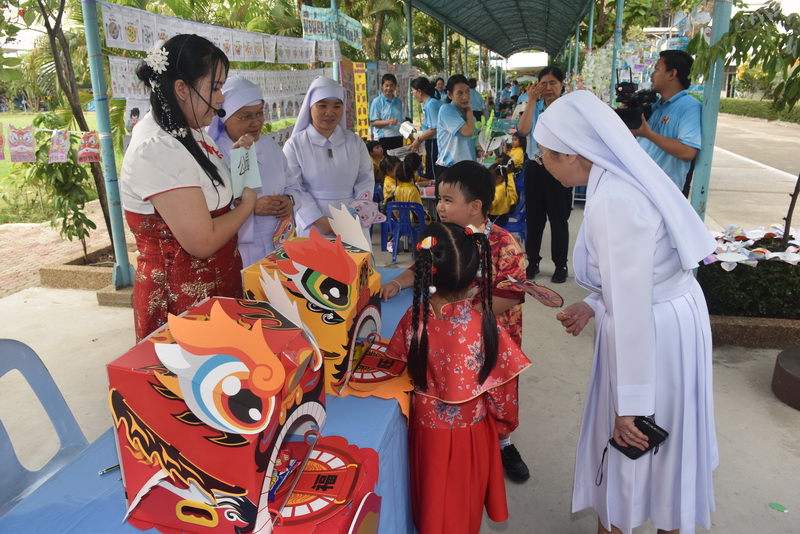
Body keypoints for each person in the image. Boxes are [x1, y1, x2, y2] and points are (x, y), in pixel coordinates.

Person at [535, 90, 717, 534]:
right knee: (668, 452)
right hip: (670, 317)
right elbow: (641, 272)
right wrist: (594, 303)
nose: (543, 164)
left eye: (546, 155)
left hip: (652, 334)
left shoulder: (614, 201)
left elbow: (632, 310)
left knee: (630, 445)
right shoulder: (623, 177)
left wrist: (630, 405)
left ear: (573, 154)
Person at [379, 161, 530, 482]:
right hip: (452, 337)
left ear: (475, 206)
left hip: (489, 338)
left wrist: (462, 316)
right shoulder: (442, 237)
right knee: (456, 389)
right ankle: (459, 436)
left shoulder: (505, 245)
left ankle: (504, 443)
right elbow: (422, 266)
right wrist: (397, 283)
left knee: (496, 390)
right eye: (439, 199)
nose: (440, 207)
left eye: (448, 200)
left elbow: (511, 295)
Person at [387, 222, 532, 534]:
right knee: (463, 505)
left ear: (425, 273)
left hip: (425, 433)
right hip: (472, 434)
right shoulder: (485, 325)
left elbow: (397, 362)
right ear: (474, 274)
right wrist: (504, 425)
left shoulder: (414, 318)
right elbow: (504, 395)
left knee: (429, 499)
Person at [120, 35, 256, 342]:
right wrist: (248, 204)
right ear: (181, 88)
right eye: (215, 88)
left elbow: (211, 195)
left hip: (216, 291)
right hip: (180, 305)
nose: (221, 99)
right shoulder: (157, 148)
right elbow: (203, 241)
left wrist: (238, 162)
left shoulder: (191, 133)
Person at [207, 76, 303, 267]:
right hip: (237, 249)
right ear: (225, 118)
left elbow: (292, 185)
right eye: (246, 116)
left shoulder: (271, 147)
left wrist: (289, 200)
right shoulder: (214, 154)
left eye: (259, 113)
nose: (256, 122)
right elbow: (209, 208)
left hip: (280, 242)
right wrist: (249, 208)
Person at [283, 76, 374, 238]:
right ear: (310, 107)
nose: (330, 112)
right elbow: (293, 186)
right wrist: (317, 219)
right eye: (322, 105)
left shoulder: (355, 142)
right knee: (315, 255)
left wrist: (353, 216)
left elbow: (366, 181)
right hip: (313, 224)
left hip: (352, 222)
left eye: (337, 106)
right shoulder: (295, 145)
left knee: (353, 255)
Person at [517, 66, 572, 283]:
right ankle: (533, 261)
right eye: (543, 83)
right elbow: (523, 130)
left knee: (559, 219)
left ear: (561, 84)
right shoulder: (534, 106)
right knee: (534, 218)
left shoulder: (568, 108)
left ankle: (561, 264)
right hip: (536, 166)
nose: (548, 87)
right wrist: (531, 100)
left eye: (553, 83)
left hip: (561, 168)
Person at [632, 50, 701, 193]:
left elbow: (687, 152)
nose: (651, 75)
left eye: (657, 69)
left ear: (672, 74)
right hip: (640, 186)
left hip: (662, 193)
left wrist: (648, 134)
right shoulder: (656, 107)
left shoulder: (689, 106)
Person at [436, 75, 477, 167]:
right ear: (450, 94)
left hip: (468, 167)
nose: (465, 97)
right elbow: (468, 132)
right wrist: (470, 110)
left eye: (467, 91)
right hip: (450, 168)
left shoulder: (471, 118)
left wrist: (481, 151)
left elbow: (473, 143)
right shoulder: (446, 110)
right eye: (460, 93)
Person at [408, 77, 444, 182]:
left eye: (413, 92)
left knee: (432, 173)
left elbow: (434, 129)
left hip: (434, 142)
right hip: (433, 142)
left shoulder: (431, 104)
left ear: (419, 91)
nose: (413, 95)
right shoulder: (432, 102)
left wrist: (418, 140)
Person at [369, 73, 405, 152]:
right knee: (385, 160)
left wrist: (411, 137)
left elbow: (403, 121)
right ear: (382, 86)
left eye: (391, 85)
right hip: (383, 139)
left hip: (398, 138)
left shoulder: (398, 102)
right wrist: (389, 122)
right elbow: (374, 122)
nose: (389, 88)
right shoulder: (377, 102)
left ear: (395, 87)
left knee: (398, 160)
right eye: (386, 85)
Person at [488, 155, 518, 227]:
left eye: (490, 179)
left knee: (483, 227)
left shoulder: (500, 188)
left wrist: (484, 203)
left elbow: (493, 202)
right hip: (498, 215)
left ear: (499, 178)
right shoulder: (500, 184)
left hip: (499, 218)